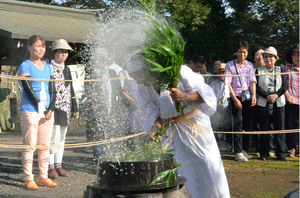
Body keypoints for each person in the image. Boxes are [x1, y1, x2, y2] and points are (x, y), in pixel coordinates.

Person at [151, 65, 230, 198]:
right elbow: (159, 110)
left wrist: (186, 96)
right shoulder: (148, 84)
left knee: (205, 169)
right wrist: (156, 126)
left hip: (194, 130)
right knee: (180, 172)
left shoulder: (181, 71)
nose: (138, 79)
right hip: (173, 132)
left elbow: (208, 94)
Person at [18, 35, 57, 190]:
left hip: (47, 112)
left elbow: (53, 90)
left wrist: (51, 108)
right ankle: (28, 178)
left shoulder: (48, 67)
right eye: (37, 46)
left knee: (45, 145)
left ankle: (43, 176)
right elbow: (27, 88)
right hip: (30, 110)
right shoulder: (25, 65)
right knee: (30, 145)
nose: (41, 49)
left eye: (43, 46)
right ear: (29, 47)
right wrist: (42, 107)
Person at [48, 39, 78, 179]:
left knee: (62, 136)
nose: (63, 55)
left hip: (66, 106)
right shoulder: (49, 68)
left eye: (66, 52)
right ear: (55, 53)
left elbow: (71, 88)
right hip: (53, 106)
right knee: (53, 136)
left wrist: (75, 106)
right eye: (61, 52)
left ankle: (59, 164)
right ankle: (50, 166)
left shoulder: (66, 68)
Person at [225, 41, 257, 161]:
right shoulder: (230, 65)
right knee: (237, 123)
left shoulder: (249, 65)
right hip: (235, 96)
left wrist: (254, 95)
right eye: (240, 51)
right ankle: (237, 151)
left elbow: (252, 81)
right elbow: (228, 83)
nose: (242, 54)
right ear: (236, 52)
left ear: (247, 53)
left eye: (244, 51)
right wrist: (234, 99)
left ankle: (244, 149)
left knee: (247, 123)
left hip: (247, 96)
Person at [255, 46, 287, 161]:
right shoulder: (259, 71)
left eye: (271, 56)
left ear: (275, 58)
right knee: (264, 128)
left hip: (279, 103)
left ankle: (281, 153)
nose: (268, 58)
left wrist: (276, 95)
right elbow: (256, 87)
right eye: (266, 56)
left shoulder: (281, 69)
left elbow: (285, 86)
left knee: (280, 128)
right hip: (264, 102)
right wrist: (267, 96)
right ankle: (264, 153)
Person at [284, 45, 299, 157]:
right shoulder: (286, 69)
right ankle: (291, 148)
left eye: (299, 55)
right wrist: (288, 97)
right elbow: (283, 85)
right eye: (295, 55)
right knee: (290, 126)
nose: (297, 57)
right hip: (290, 101)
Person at [210, 63, 231, 141]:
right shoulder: (213, 84)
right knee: (215, 124)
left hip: (228, 108)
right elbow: (210, 95)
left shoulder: (230, 83)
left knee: (228, 125)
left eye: (223, 72)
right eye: (220, 73)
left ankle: (228, 142)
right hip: (216, 109)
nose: (221, 74)